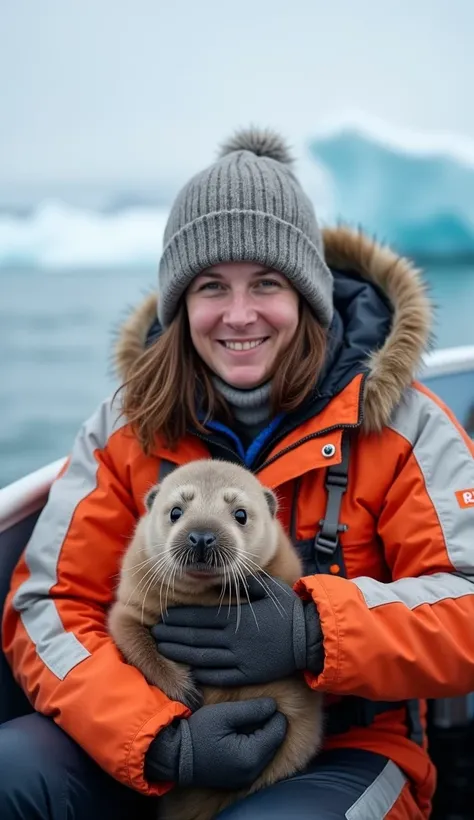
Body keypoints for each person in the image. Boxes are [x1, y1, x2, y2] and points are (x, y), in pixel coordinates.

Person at [1, 126, 474, 820]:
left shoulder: (409, 427)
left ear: (307, 295)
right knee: (12, 773)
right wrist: (161, 742)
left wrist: (314, 631)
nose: (240, 314)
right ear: (182, 302)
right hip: (151, 727)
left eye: (268, 283)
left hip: (347, 744)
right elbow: (47, 603)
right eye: (212, 286)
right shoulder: (126, 428)